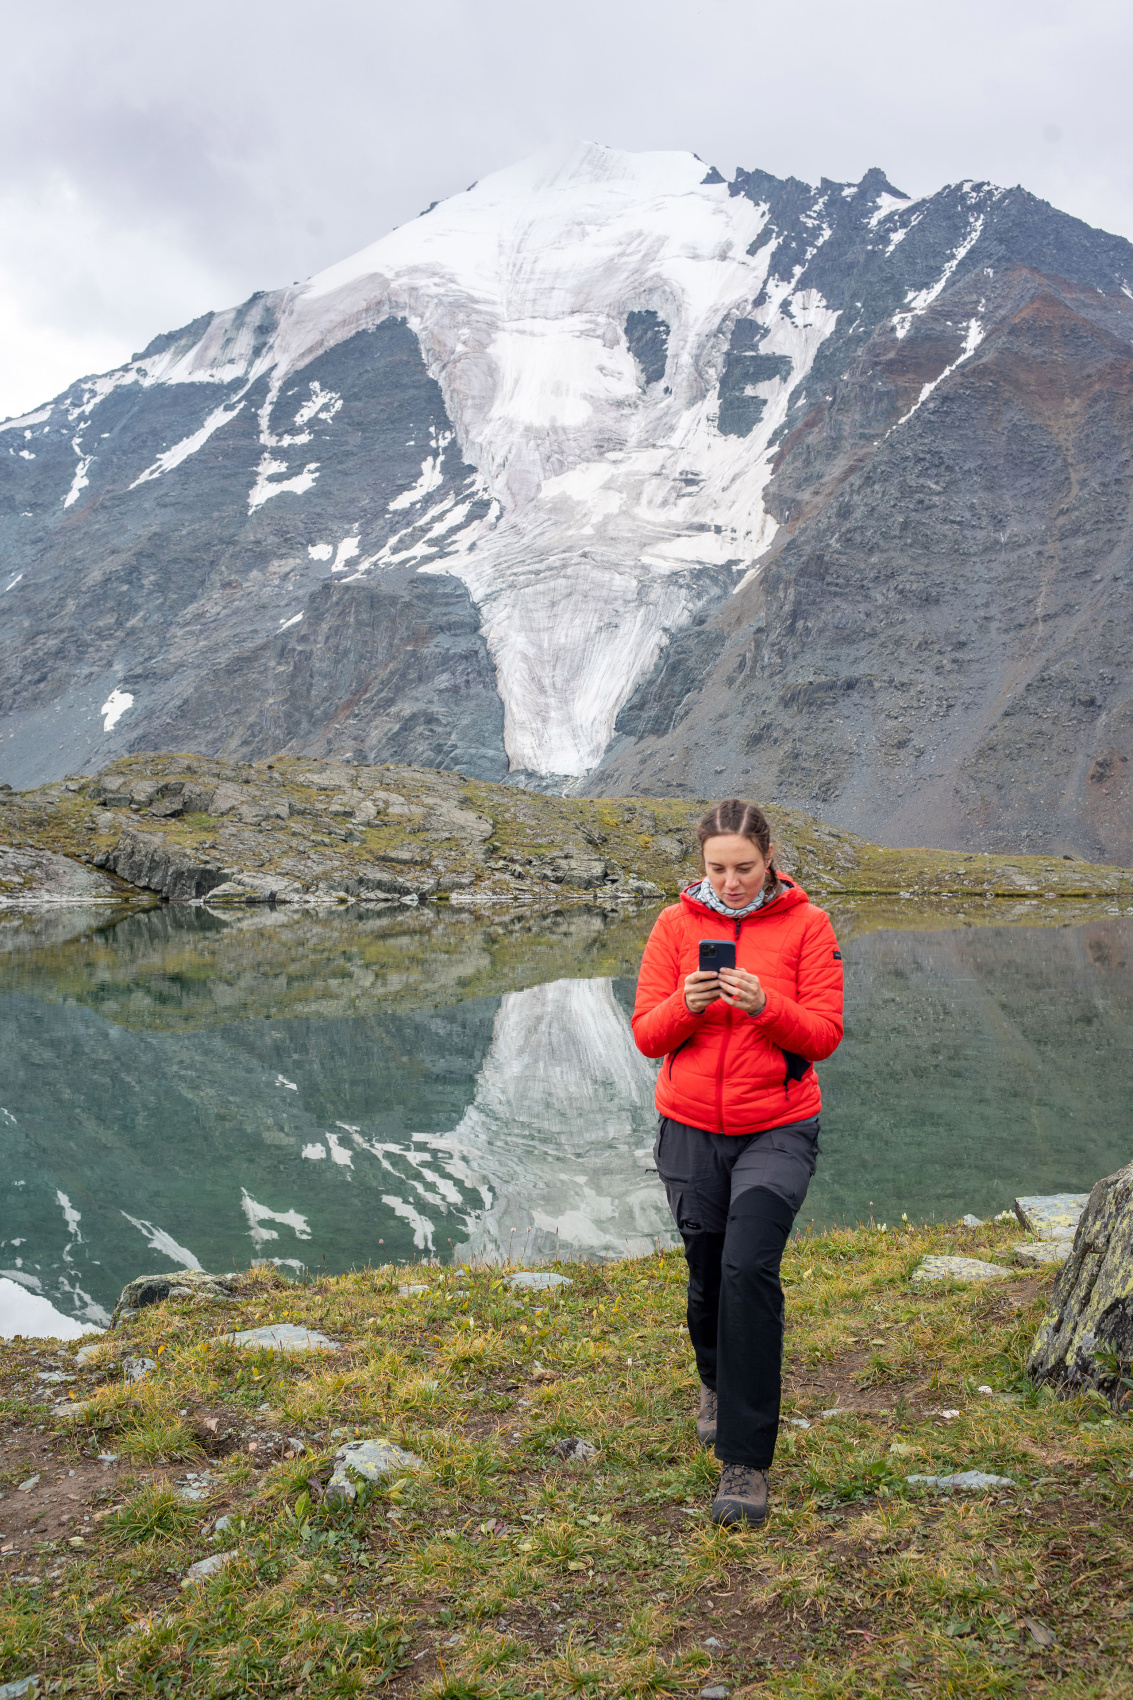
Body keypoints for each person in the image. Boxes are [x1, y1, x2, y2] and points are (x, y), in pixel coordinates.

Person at [631, 798, 844, 1526]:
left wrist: (765, 1004)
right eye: (716, 868)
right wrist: (686, 1005)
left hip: (777, 1128)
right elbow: (647, 1035)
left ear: (769, 858)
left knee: (747, 1270)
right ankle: (715, 1381)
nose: (729, 882)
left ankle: (745, 1463)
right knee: (706, 1270)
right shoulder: (673, 925)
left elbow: (823, 1035)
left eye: (744, 868)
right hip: (689, 1129)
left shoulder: (808, 926)